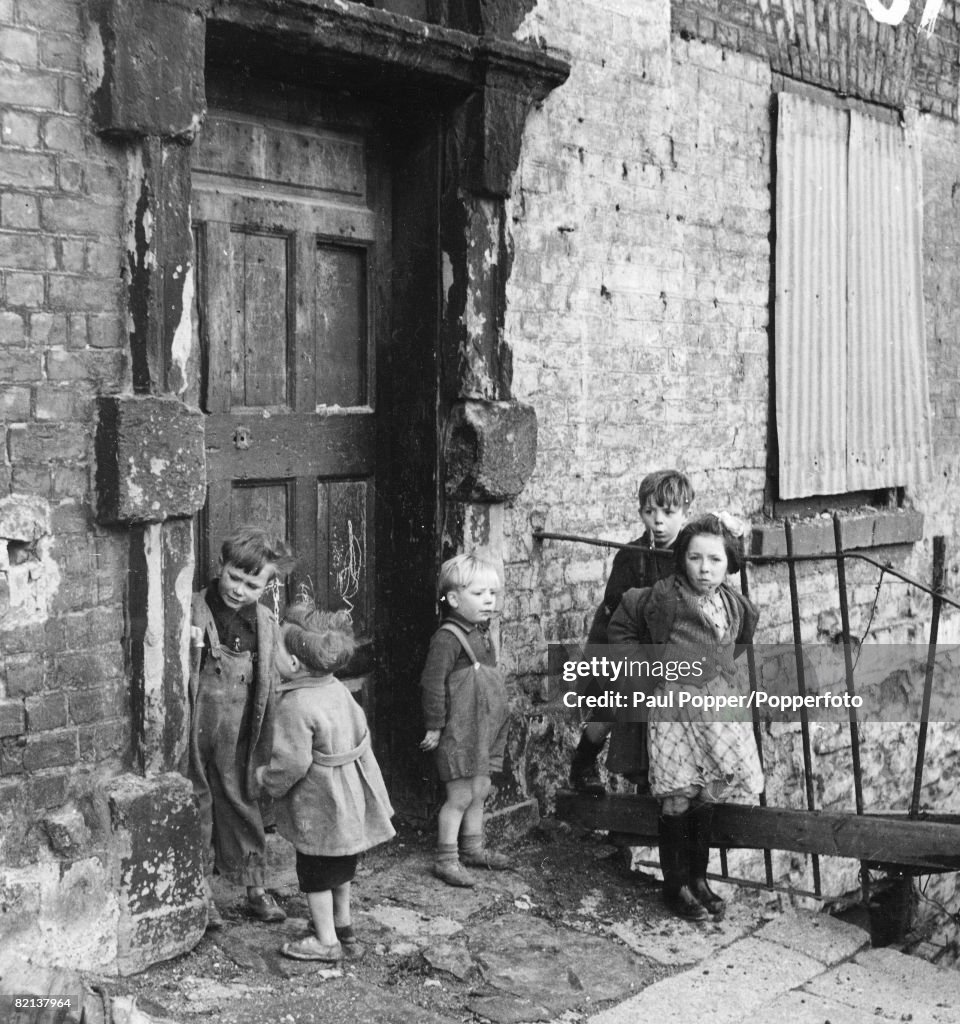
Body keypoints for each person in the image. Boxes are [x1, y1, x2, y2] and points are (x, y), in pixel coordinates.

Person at [607, 513, 764, 920]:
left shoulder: (734, 604)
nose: (704, 568)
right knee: (677, 796)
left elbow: (739, 644)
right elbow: (621, 621)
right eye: (695, 558)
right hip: (675, 710)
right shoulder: (664, 597)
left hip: (716, 713)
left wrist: (725, 672)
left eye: (714, 560)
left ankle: (698, 880)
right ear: (683, 559)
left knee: (706, 793)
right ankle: (674, 886)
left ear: (730, 564)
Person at [256, 600, 395, 962]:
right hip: (348, 798)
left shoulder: (296, 704)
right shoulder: (337, 690)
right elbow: (361, 733)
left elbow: (291, 762)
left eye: (276, 649)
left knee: (315, 874)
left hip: (320, 803)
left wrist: (265, 780)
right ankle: (344, 926)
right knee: (340, 867)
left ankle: (326, 940)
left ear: (294, 664)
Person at [187, 526, 295, 929]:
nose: (239, 590)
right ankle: (199, 894)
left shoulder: (264, 622)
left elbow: (275, 673)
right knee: (197, 800)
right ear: (220, 567)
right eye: (234, 577)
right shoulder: (195, 608)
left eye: (252, 585)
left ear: (268, 586)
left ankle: (254, 887)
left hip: (239, 726)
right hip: (198, 723)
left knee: (241, 799)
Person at [569, 470, 695, 794]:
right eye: (649, 512)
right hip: (624, 644)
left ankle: (655, 785)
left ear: (686, 513)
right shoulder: (631, 556)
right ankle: (584, 762)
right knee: (613, 708)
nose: (658, 521)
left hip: (669, 650)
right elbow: (614, 607)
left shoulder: (692, 556)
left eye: (668, 512)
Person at [420, 552, 512, 888]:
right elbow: (432, 684)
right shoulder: (447, 638)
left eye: (492, 593)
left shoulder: (480, 632)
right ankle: (446, 859)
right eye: (479, 594)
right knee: (459, 795)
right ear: (455, 598)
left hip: (483, 730)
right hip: (459, 733)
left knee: (480, 789)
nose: (489, 600)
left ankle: (473, 848)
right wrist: (434, 725)